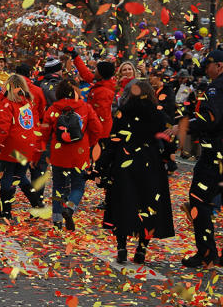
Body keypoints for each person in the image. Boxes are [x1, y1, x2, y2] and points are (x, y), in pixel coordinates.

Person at [99, 79, 174, 264]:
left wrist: (102, 165)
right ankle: (141, 248)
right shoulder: (157, 113)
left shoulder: (123, 112)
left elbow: (113, 140)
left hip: (125, 162)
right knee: (148, 204)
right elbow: (168, 140)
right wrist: (167, 157)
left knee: (124, 203)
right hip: (151, 163)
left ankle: (122, 246)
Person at [40, 78, 101, 230]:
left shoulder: (53, 108)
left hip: (59, 154)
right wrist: (89, 144)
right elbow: (97, 130)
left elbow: (44, 131)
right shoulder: (85, 107)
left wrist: (44, 149)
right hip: (79, 154)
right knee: (78, 186)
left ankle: (57, 219)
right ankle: (70, 208)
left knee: (58, 186)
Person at [181, 49, 223, 267]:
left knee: (198, 199)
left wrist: (186, 125)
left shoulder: (217, 88)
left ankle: (206, 252)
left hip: (215, 155)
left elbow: (211, 119)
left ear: (220, 66)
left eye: (209, 65)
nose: (206, 69)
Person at [0, 74, 44, 221]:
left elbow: (2, 128)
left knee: (8, 174)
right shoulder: (29, 103)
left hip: (12, 145)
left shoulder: (7, 103)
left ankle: (6, 210)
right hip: (27, 144)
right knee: (20, 175)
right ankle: (36, 204)